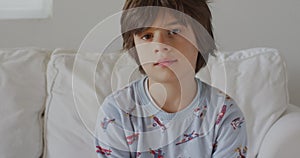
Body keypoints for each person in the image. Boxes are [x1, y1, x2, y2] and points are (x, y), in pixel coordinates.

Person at [95, 0, 247, 157]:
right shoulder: (116, 112)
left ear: (200, 38)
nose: (160, 45)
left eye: (174, 31)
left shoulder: (224, 115)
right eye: (147, 36)